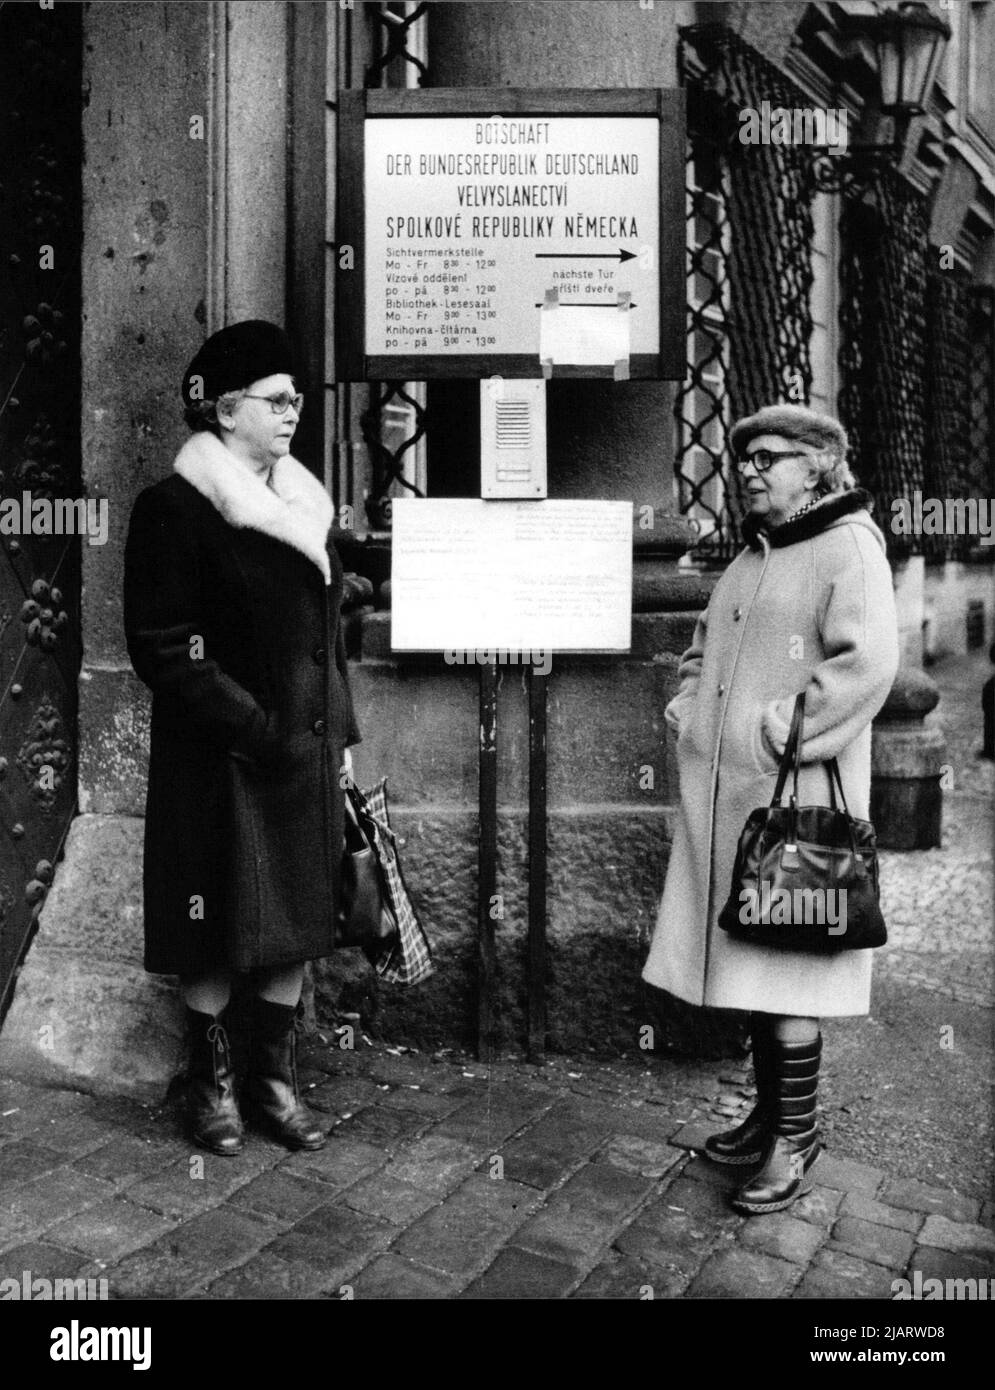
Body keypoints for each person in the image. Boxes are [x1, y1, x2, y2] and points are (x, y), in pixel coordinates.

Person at [643, 404, 899, 1214]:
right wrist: (690, 709)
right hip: (730, 802)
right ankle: (766, 1119)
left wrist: (776, 733)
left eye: (770, 457)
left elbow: (868, 666)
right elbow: (698, 648)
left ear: (819, 466)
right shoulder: (755, 552)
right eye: (743, 457)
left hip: (797, 802)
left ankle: (794, 1139)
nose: (748, 469)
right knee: (753, 967)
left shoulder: (847, 547)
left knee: (789, 974)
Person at [124, 320, 361, 1156]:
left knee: (295, 915)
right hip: (219, 754)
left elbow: (321, 637)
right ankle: (212, 1082)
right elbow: (161, 642)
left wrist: (338, 731)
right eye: (275, 399)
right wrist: (251, 724)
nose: (292, 411)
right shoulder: (175, 508)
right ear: (226, 412)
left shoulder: (303, 502)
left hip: (303, 750)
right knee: (212, 917)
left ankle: (272, 1080)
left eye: (296, 398)